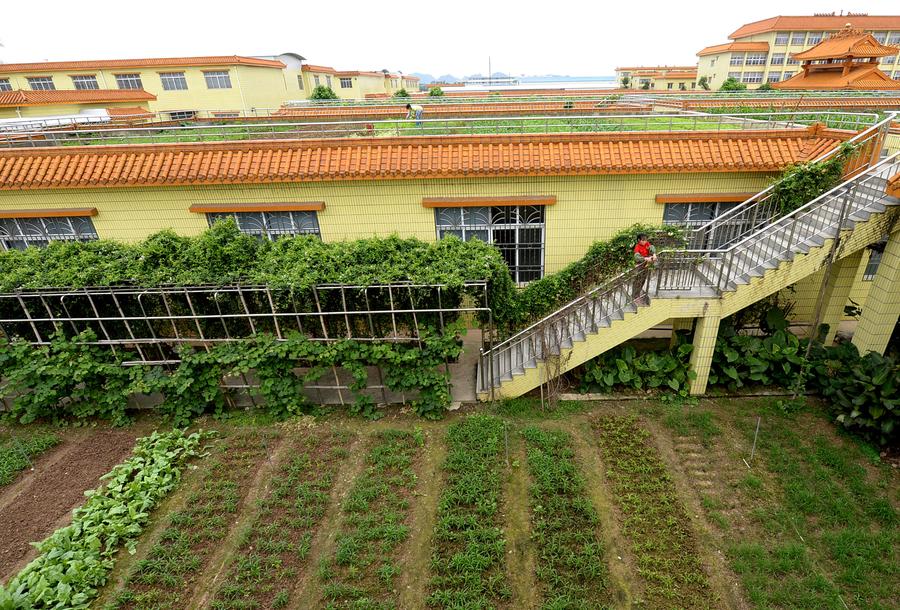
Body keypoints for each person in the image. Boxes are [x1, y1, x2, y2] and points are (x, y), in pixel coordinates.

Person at [632, 233, 657, 306]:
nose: (645, 241)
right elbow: (636, 257)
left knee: (643, 280)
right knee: (638, 281)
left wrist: (654, 254)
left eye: (645, 240)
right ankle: (635, 296)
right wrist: (645, 258)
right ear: (639, 240)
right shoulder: (637, 246)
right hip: (640, 266)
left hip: (646, 265)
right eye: (643, 240)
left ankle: (637, 294)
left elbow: (651, 248)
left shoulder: (647, 244)